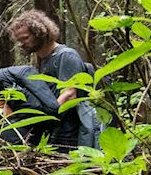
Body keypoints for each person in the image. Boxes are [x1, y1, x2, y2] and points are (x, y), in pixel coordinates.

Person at [6, 10, 100, 149]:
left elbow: (69, 94)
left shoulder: (66, 56)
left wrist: (46, 119)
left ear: (40, 33)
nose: (21, 44)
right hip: (56, 130)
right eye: (19, 40)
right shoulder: (42, 60)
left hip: (70, 132)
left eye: (25, 38)